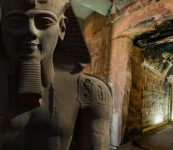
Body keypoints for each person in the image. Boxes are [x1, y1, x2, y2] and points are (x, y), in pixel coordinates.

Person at [0, 0, 112, 150]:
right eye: (16, 22)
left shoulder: (90, 91)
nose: (31, 32)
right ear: (3, 28)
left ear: (62, 27)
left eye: (43, 22)